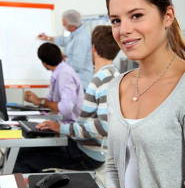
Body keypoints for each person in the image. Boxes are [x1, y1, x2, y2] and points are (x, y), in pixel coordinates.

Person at [104, 0, 185, 188]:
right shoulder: (116, 88)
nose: (123, 29)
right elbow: (113, 162)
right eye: (116, 20)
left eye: (136, 15)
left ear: (168, 16)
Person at [13, 25, 120, 173]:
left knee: (21, 160)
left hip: (86, 154)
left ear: (93, 49)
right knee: (24, 151)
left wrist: (61, 128)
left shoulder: (104, 78)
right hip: (82, 146)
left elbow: (105, 126)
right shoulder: (109, 75)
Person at [24, 42, 84, 122]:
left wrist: (40, 101)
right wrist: (35, 99)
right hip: (61, 122)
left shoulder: (65, 74)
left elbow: (66, 108)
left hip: (70, 127)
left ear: (44, 63)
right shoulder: (58, 72)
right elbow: (51, 100)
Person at [38, 9, 93, 90]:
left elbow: (77, 65)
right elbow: (64, 40)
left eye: (64, 24)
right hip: (74, 80)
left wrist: (61, 58)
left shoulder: (81, 39)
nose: (63, 24)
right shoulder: (75, 34)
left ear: (72, 26)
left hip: (81, 83)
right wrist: (47, 38)